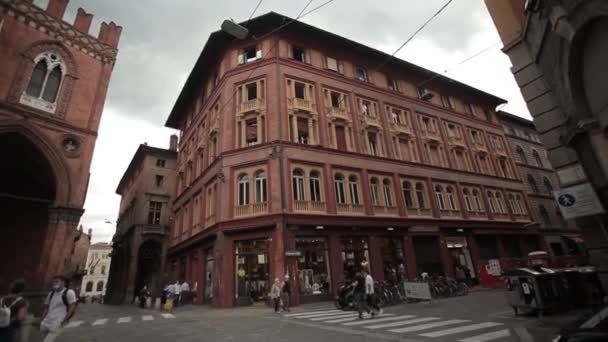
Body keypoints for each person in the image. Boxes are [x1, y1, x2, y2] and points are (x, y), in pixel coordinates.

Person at [40, 275, 77, 342]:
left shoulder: (69, 292)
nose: (54, 283)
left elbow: (72, 307)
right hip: (46, 322)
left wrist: (64, 320)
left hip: (57, 323)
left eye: (57, 281)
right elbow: (47, 306)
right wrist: (42, 319)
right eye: (53, 282)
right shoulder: (51, 293)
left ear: (63, 282)